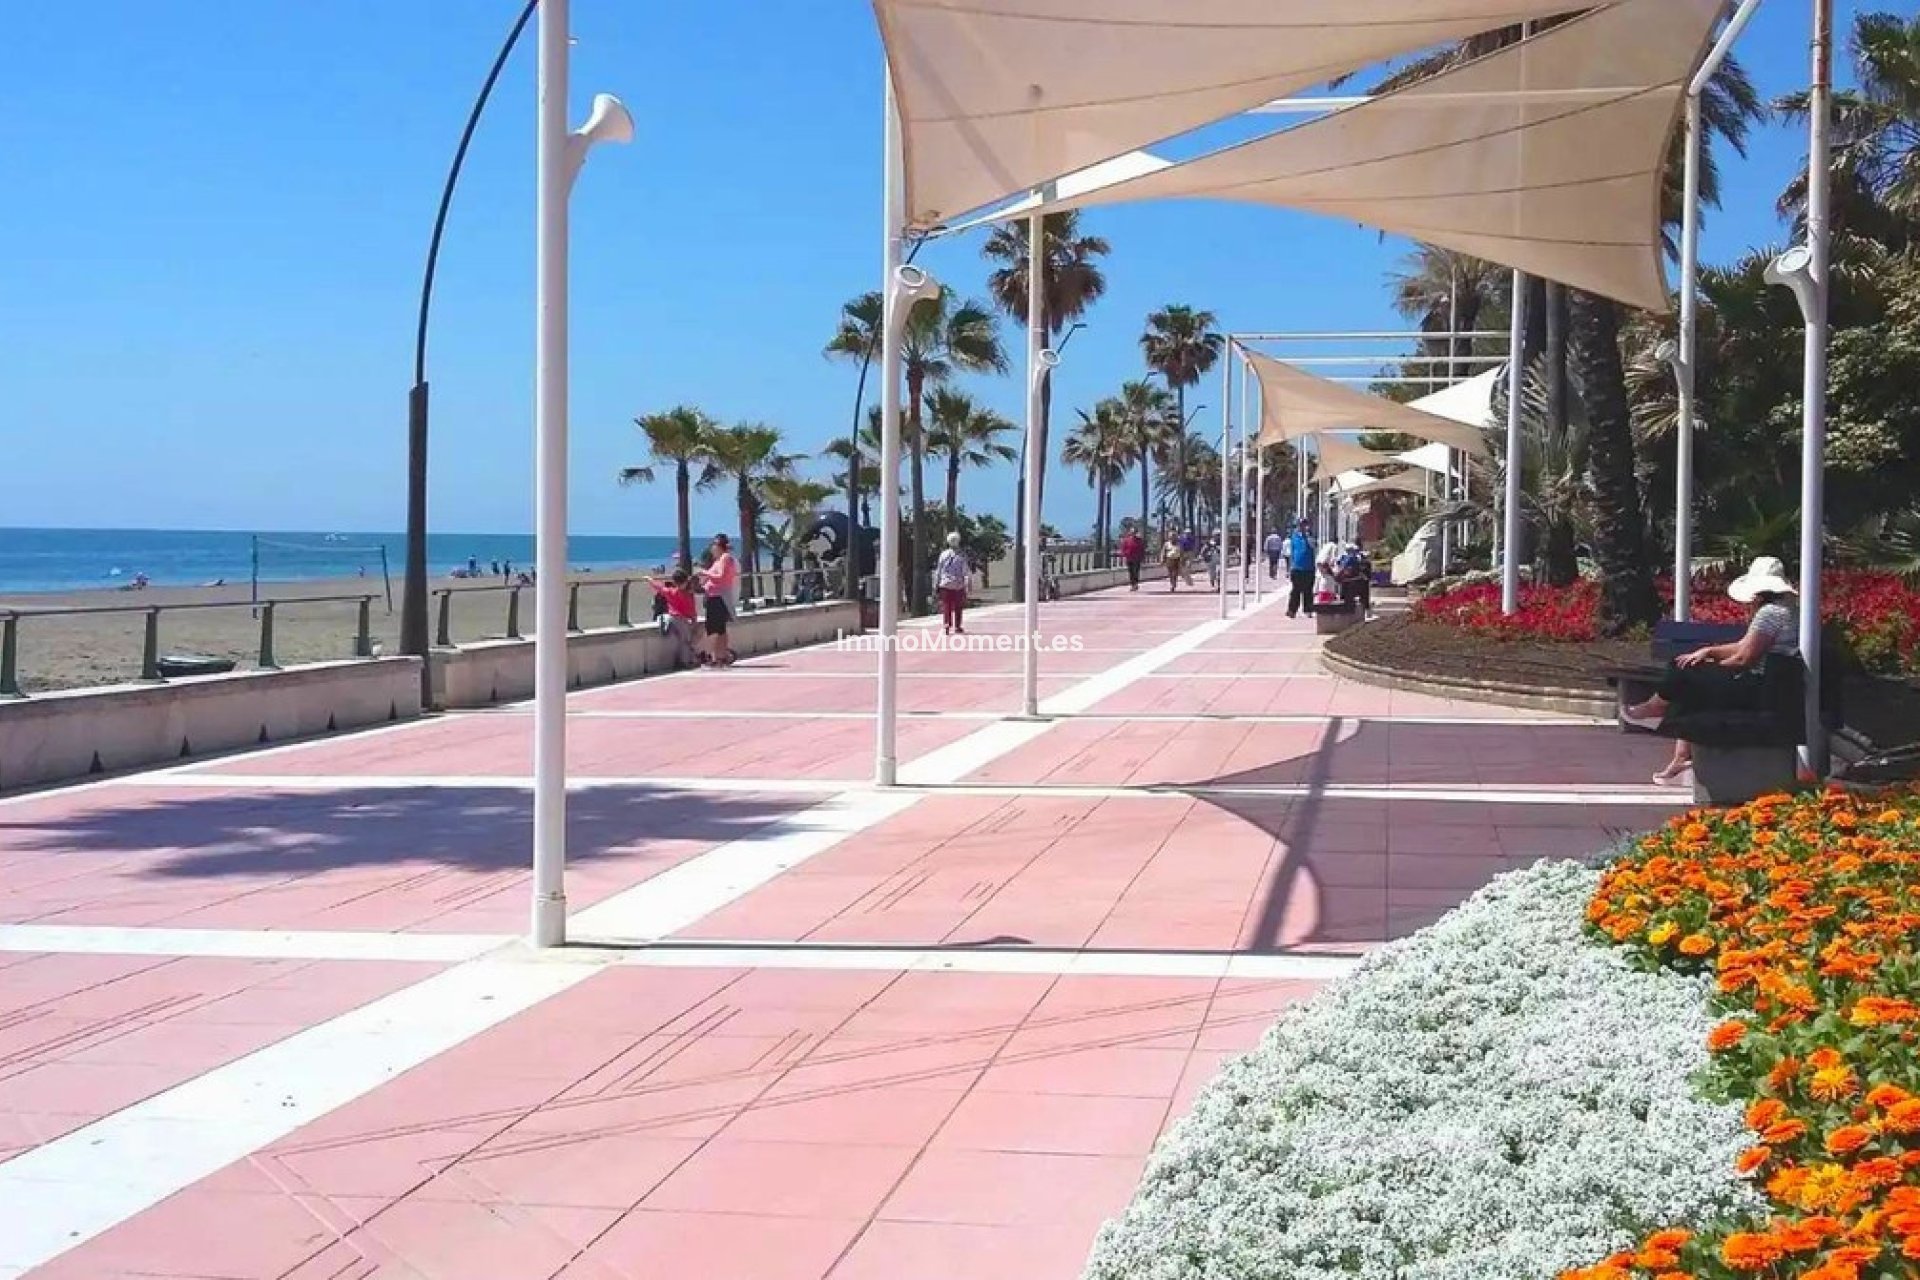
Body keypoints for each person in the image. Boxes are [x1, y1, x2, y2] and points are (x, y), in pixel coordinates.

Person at [1624, 557, 1803, 787]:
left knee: (1683, 672)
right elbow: (1743, 646)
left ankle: (1655, 708)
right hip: (1770, 684)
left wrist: (1713, 670)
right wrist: (1708, 652)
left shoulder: (1770, 613)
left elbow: (1744, 658)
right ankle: (1679, 756)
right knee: (1689, 677)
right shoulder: (1786, 610)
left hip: (1758, 686)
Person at [695, 532, 739, 666]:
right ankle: (721, 656)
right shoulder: (720, 560)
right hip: (715, 596)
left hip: (718, 597)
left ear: (719, 546)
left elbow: (720, 577)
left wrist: (704, 572)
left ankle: (713, 656)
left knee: (713, 629)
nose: (712, 548)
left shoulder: (725, 558)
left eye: (714, 545)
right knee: (720, 629)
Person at [647, 568, 701, 668]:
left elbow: (659, 587)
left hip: (672, 618)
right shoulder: (687, 595)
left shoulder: (670, 592)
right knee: (686, 641)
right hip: (682, 620)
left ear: (675, 582)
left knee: (678, 640)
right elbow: (692, 610)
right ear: (686, 582)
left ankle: (680, 660)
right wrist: (694, 621)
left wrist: (649, 579)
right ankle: (685, 661)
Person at [934, 531, 970, 634]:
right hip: (958, 584)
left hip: (945, 583)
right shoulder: (962, 555)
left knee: (947, 605)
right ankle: (957, 626)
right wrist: (967, 584)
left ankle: (947, 624)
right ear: (958, 541)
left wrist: (936, 583)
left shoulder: (943, 554)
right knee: (958, 605)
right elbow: (965, 571)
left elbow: (939, 570)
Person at [1284, 520, 1317, 618]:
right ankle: (1292, 610)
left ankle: (1308, 610)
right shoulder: (1294, 537)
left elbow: (1313, 546)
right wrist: (1289, 569)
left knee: (1308, 590)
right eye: (1300, 525)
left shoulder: (1311, 538)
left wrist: (1307, 536)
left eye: (1304, 525)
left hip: (1309, 569)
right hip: (1296, 568)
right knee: (1295, 590)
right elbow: (1292, 553)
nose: (1302, 527)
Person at [1337, 540, 1373, 618]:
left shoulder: (1359, 559)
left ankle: (1365, 611)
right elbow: (1341, 568)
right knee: (1348, 597)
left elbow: (1364, 571)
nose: (1349, 552)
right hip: (1349, 581)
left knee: (1363, 597)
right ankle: (1349, 613)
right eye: (1348, 550)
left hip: (1357, 581)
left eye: (1351, 550)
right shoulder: (1344, 558)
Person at [1119, 524, 1145, 592]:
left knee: (1136, 571)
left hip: (1137, 558)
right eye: (1132, 532)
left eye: (1134, 532)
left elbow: (1142, 549)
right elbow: (1123, 548)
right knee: (1131, 572)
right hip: (1129, 558)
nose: (1133, 533)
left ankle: (1135, 584)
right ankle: (1132, 584)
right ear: (1130, 532)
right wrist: (1124, 554)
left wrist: (1142, 557)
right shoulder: (1126, 540)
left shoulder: (1139, 540)